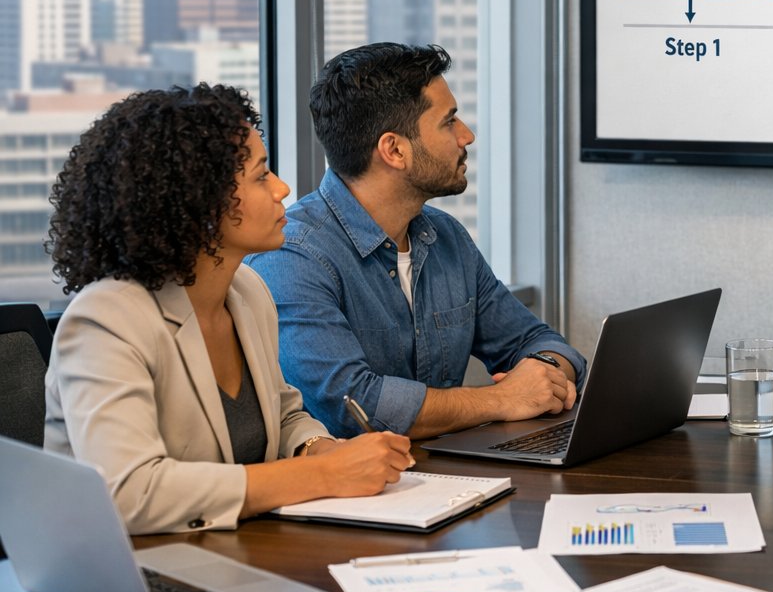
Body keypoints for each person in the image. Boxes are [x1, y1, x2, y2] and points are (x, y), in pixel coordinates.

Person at [44, 85, 413, 536]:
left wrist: (319, 449)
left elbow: (284, 415)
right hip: (127, 577)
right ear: (198, 201)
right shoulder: (106, 319)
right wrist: (323, 475)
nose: (282, 188)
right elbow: (128, 492)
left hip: (229, 554)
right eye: (261, 177)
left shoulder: (247, 291)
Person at [250, 43, 587, 439]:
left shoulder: (446, 237)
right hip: (350, 493)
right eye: (449, 122)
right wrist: (503, 399)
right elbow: (352, 406)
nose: (467, 136)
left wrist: (543, 371)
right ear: (394, 149)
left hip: (442, 479)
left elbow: (540, 341)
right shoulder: (292, 256)